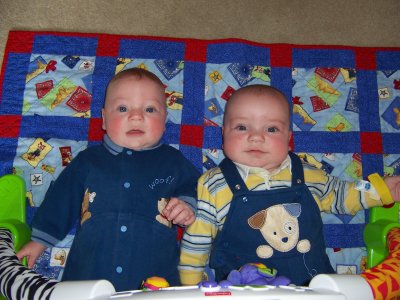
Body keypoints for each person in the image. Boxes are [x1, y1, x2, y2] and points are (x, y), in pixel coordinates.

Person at [178, 84, 400, 286]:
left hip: (312, 287)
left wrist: (381, 191)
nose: (256, 137)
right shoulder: (213, 184)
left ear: (288, 138)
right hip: (242, 291)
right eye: (242, 127)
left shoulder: (308, 173)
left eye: (271, 129)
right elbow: (196, 242)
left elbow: (343, 195)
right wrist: (191, 286)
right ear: (223, 133)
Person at [17, 68, 200, 291]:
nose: (136, 116)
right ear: (104, 119)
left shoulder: (172, 161)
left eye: (150, 109)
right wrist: (39, 241)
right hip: (90, 273)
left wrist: (187, 204)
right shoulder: (89, 161)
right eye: (122, 108)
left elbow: (197, 186)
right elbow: (61, 200)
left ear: (164, 120)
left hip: (155, 276)